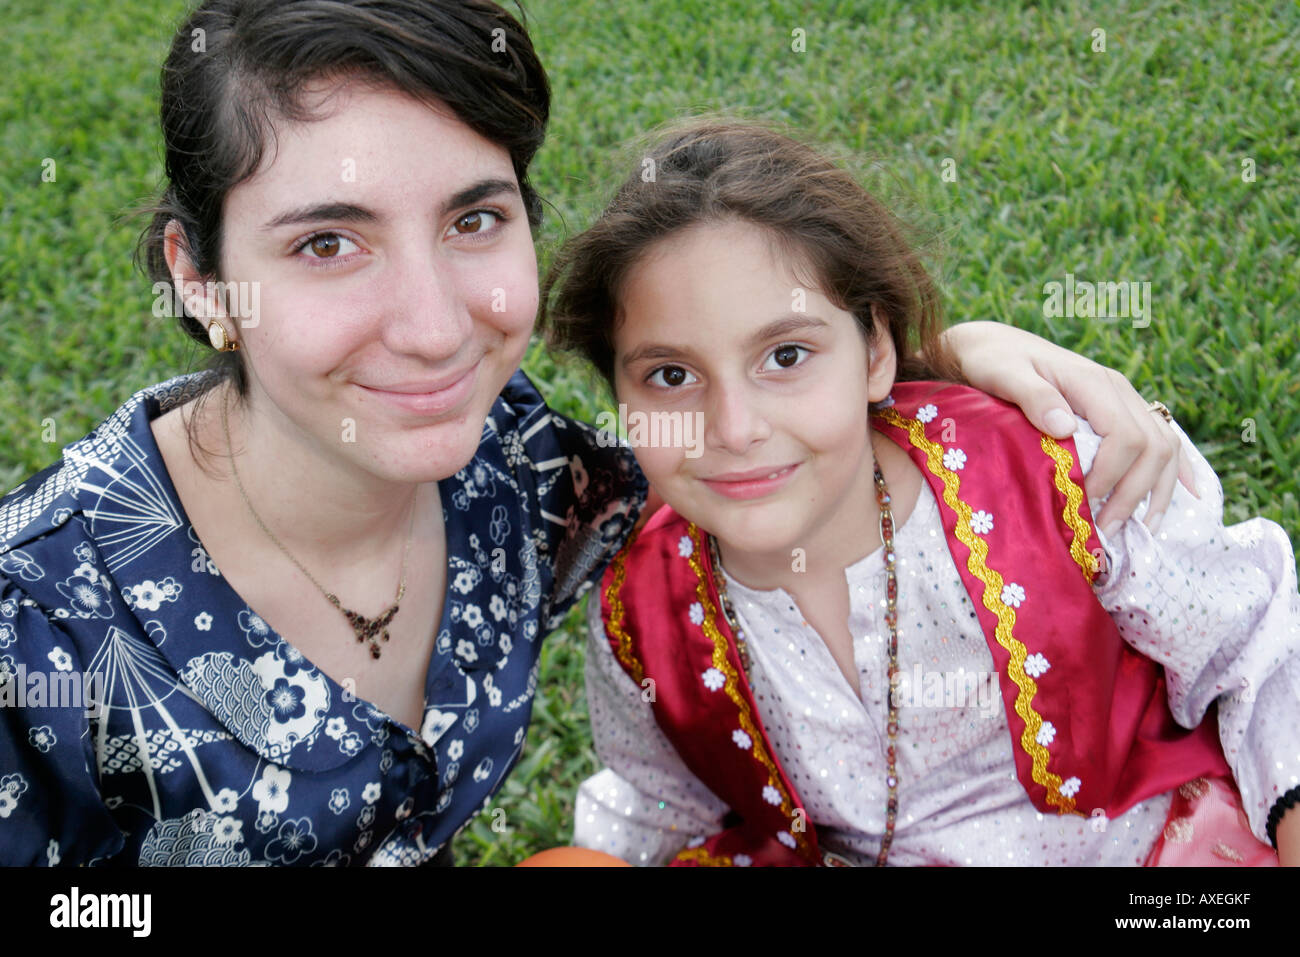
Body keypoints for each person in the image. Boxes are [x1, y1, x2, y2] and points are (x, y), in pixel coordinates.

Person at [0, 0, 1191, 867]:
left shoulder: (527, 478)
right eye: (327, 242)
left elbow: (744, 439)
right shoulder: (35, 622)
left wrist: (943, 358)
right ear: (199, 277)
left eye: (474, 218)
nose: (432, 328)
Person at [545, 120, 1300, 867]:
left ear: (875, 352)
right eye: (670, 376)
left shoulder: (1053, 471)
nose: (735, 428)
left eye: (786, 354)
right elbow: (660, 796)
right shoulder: (637, 607)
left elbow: (1256, 647)